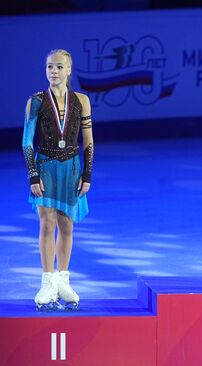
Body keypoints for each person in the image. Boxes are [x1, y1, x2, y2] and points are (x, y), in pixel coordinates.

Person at [22, 49, 94, 310]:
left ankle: (63, 279)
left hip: (72, 168)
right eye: (50, 67)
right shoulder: (36, 101)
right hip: (46, 167)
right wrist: (32, 173)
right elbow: (26, 141)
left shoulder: (82, 101)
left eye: (59, 67)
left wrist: (87, 173)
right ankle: (46, 280)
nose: (54, 71)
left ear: (69, 70)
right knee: (47, 223)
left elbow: (88, 140)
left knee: (66, 224)